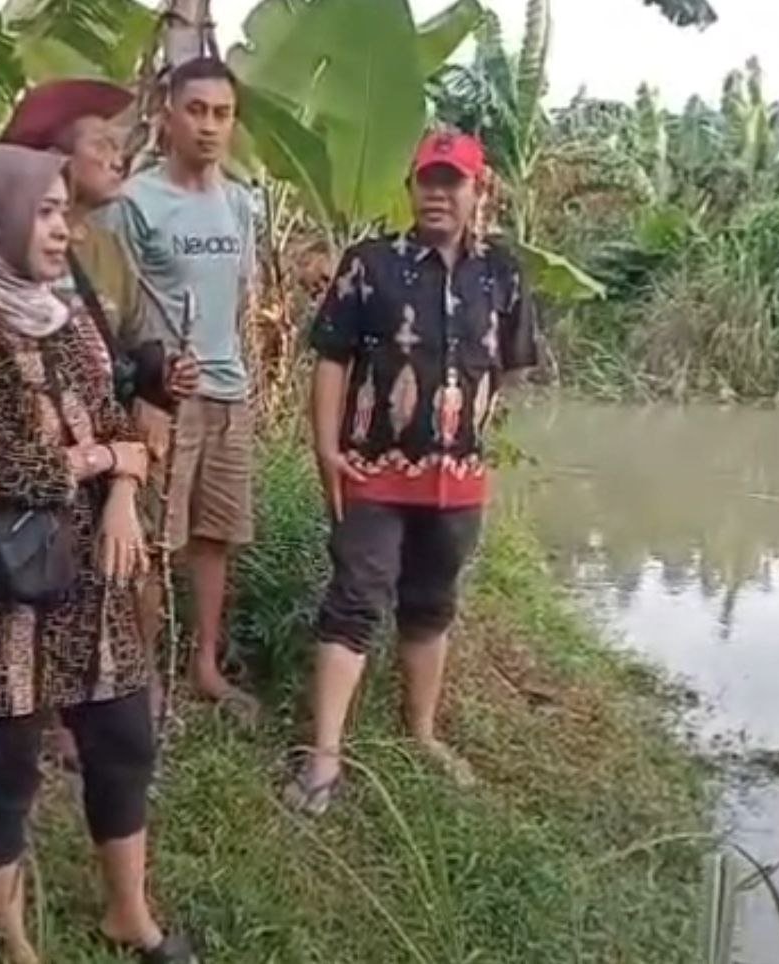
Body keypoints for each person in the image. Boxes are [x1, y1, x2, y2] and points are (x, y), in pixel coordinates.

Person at [0, 143, 194, 964]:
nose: (61, 231)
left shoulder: (65, 312)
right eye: (45, 213)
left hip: (92, 572)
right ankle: (6, 933)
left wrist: (123, 485)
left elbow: (121, 419)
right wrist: (105, 462)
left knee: (124, 738)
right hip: (6, 581)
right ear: (1, 215)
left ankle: (130, 913)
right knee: (8, 764)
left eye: (63, 212)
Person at [285, 130, 538, 816]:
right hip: (371, 471)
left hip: (457, 482)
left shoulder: (503, 274)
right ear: (410, 188)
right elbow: (332, 358)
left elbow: (512, 365)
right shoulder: (370, 264)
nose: (437, 192)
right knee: (356, 599)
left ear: (476, 191)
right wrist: (325, 448)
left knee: (432, 604)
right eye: (427, 178)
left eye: (452, 181)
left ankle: (421, 732)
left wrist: (471, 430)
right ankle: (325, 756)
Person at [1, 78, 200, 714]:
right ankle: (50, 711)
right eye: (101, 144)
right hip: (36, 461)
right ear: (55, 161)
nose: (118, 156)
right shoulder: (3, 251)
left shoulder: (110, 250)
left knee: (124, 572)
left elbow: (136, 346)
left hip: (107, 450)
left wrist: (163, 377)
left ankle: (123, 695)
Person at [107, 57, 258, 717]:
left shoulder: (241, 202)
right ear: (167, 113)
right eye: (196, 110)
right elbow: (115, 307)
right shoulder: (136, 202)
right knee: (155, 539)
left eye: (222, 114)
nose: (209, 126)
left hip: (231, 391)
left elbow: (242, 297)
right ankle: (145, 675)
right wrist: (152, 380)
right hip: (166, 398)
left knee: (215, 535)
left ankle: (203, 665)